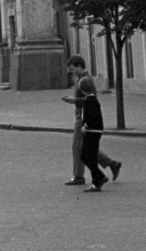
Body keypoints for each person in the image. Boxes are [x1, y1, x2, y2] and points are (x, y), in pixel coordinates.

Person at [62, 56, 120, 185]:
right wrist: (73, 98)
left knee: (78, 147)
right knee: (86, 147)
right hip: (82, 115)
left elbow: (90, 99)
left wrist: (74, 100)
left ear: (79, 66)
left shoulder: (86, 80)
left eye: (73, 69)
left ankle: (79, 176)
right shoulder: (80, 79)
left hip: (83, 117)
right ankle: (111, 164)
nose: (72, 72)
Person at [75, 76, 106, 192]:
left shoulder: (90, 101)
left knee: (91, 158)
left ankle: (96, 182)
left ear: (82, 89)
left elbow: (94, 116)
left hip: (92, 132)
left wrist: (85, 126)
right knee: (84, 155)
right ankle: (100, 176)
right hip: (91, 132)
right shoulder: (90, 99)